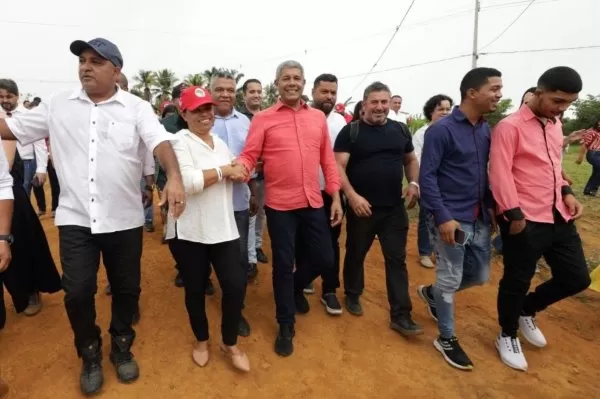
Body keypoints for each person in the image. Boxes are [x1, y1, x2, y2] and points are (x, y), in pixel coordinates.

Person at [0, 37, 185, 395]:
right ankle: (89, 351)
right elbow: (10, 129)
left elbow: (159, 141)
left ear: (116, 71)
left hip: (125, 219)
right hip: (75, 218)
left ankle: (120, 344)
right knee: (78, 292)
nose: (86, 66)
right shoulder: (58, 105)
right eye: (82, 60)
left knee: (127, 289)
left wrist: (174, 176)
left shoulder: (137, 107)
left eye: (96, 62)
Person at [236, 60, 343, 357]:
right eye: (286, 78)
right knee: (283, 265)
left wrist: (335, 196)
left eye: (297, 78)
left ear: (304, 82)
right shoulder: (264, 119)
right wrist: (238, 170)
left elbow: (327, 161)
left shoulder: (317, 119)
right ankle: (285, 323)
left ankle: (295, 288)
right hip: (281, 205)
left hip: (313, 201)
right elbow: (249, 155)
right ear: (277, 84)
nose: (292, 82)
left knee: (325, 258)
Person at [490, 66, 591, 372]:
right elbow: (499, 172)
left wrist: (567, 192)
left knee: (577, 278)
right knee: (517, 279)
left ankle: (527, 310)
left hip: (558, 215)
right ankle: (507, 333)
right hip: (523, 217)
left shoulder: (555, 124)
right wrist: (513, 213)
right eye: (557, 101)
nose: (562, 108)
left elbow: (553, 166)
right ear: (538, 92)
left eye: (569, 103)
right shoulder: (510, 127)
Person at [418, 68, 502, 370]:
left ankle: (431, 293)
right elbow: (426, 177)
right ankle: (447, 337)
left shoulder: (484, 128)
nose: (499, 94)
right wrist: (442, 217)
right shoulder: (441, 130)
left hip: (478, 215)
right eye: (494, 88)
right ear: (472, 93)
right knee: (451, 277)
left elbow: (484, 171)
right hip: (451, 218)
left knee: (479, 275)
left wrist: (491, 206)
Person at [166, 86, 250, 372]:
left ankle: (230, 341)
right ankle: (201, 340)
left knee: (236, 286)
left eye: (208, 108)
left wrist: (238, 171)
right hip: (191, 231)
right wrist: (226, 171)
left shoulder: (220, 143)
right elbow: (188, 182)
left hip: (224, 228)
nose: (205, 115)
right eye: (197, 109)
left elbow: (228, 172)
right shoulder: (179, 141)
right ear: (183, 113)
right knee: (195, 288)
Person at [334, 81, 421, 335]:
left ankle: (401, 315)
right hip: (363, 208)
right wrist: (352, 196)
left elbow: (410, 159)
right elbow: (337, 166)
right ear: (365, 104)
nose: (380, 107)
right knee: (356, 252)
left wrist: (414, 182)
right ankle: (352, 293)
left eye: (385, 102)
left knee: (397, 259)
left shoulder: (401, 131)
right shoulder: (351, 132)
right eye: (375, 102)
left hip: (394, 208)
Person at [0, 110, 61, 330]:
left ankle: (30, 290)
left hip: (6, 188)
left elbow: (5, 163)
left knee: (21, 244)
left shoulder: (5, 120)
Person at [298, 73, 347, 313]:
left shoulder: (341, 123)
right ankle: (304, 277)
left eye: (333, 92)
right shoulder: (301, 117)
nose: (329, 96)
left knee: (331, 241)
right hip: (303, 191)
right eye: (324, 92)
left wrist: (339, 193)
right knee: (302, 238)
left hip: (331, 193)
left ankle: (329, 289)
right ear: (313, 92)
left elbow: (341, 162)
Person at [210, 72, 255, 337]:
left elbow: (255, 158)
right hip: (207, 204)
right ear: (211, 90)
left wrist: (253, 191)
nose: (225, 94)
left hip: (238, 201)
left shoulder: (246, 123)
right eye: (220, 89)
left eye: (230, 89)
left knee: (237, 260)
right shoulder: (200, 121)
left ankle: (235, 311)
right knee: (206, 257)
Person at [0, 78, 49, 315]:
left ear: (16, 97)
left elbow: (8, 164)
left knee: (20, 238)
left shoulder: (21, 117)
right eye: (1, 97)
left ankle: (30, 290)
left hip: (11, 182)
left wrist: (41, 169)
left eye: (8, 96)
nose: (4, 101)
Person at [411, 94, 453, 269]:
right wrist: (419, 184)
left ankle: (441, 251)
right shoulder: (423, 134)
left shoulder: (452, 131)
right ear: (431, 112)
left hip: (448, 184)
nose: (444, 112)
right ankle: (424, 252)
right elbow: (418, 159)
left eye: (447, 109)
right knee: (427, 217)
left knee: (445, 218)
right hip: (427, 182)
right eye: (440, 109)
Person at [240, 79, 269, 267]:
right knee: (248, 214)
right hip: (245, 176)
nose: (256, 95)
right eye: (252, 91)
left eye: (259, 91)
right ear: (244, 96)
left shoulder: (268, 116)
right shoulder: (240, 119)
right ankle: (248, 255)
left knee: (261, 213)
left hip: (266, 176)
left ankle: (257, 246)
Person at [574, 119, 600, 196]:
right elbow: (584, 144)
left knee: (596, 172)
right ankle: (592, 189)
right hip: (593, 154)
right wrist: (580, 158)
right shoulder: (591, 132)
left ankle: (588, 190)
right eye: (598, 124)